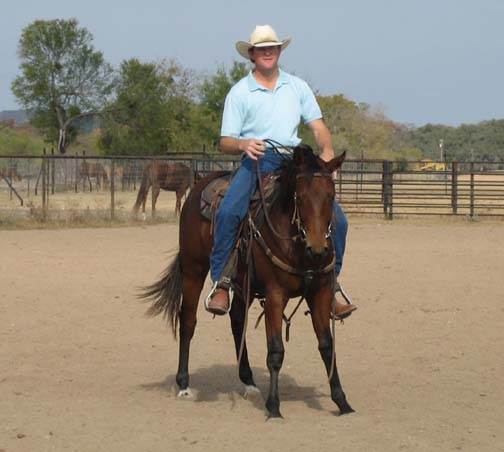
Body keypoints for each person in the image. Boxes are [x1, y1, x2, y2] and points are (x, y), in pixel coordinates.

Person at [205, 25, 357, 320]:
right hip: (256, 162)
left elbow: (318, 127)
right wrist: (243, 143)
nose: (268, 52)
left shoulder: (297, 87)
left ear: (279, 52)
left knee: (338, 221)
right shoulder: (240, 92)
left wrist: (326, 153)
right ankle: (222, 282)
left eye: (272, 47)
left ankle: (331, 283)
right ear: (251, 54)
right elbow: (225, 142)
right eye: (262, 48)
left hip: (295, 163)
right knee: (229, 212)